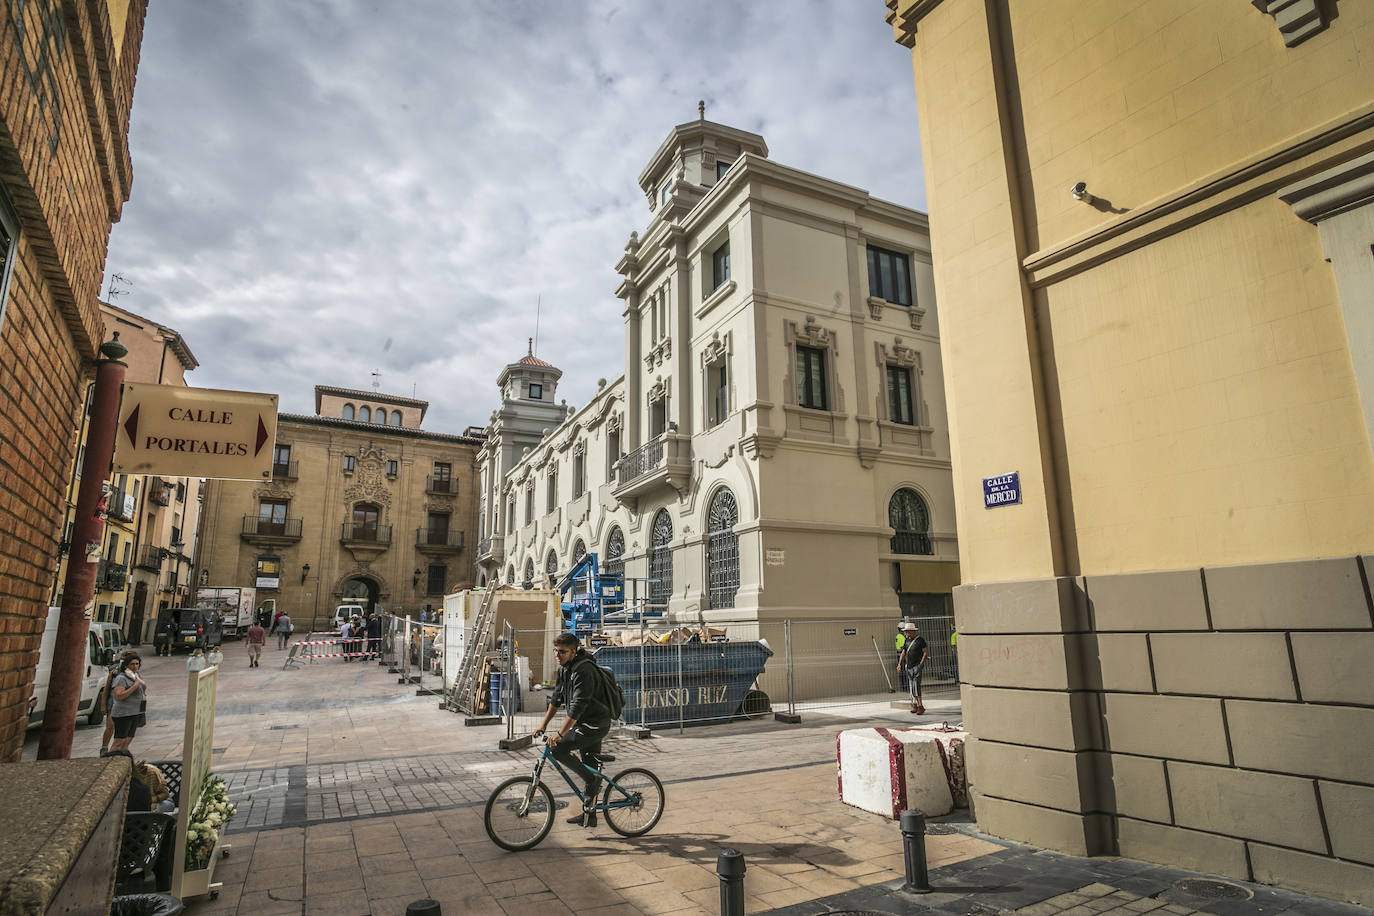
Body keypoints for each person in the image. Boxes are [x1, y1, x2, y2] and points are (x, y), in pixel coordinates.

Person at [534, 632, 613, 827]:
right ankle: (590, 815)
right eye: (556, 651)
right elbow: (556, 699)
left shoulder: (584, 670)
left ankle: (593, 782)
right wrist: (543, 724)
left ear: (573, 651)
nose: (557, 655)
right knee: (589, 765)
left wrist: (560, 734)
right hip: (585, 723)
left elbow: (578, 706)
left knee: (558, 749)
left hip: (595, 724)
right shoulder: (564, 669)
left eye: (562, 652)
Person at [99, 649, 138, 756]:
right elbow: (106, 689)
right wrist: (103, 704)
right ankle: (104, 748)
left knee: (126, 731)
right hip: (113, 704)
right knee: (110, 727)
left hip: (129, 707)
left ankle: (121, 750)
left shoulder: (136, 674)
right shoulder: (115, 672)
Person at [108, 654, 146, 753]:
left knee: (127, 740)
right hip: (123, 713)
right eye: (132, 664)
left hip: (136, 711)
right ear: (126, 666)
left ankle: (122, 759)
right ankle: (112, 759)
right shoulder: (122, 678)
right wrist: (134, 686)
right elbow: (119, 696)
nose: (135, 666)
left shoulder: (136, 675)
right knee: (119, 741)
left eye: (137, 664)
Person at [897, 622, 928, 715]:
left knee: (916, 686)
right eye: (905, 631)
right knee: (911, 687)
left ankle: (920, 706)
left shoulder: (920, 640)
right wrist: (899, 664)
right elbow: (903, 652)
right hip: (909, 667)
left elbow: (925, 653)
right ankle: (915, 705)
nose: (905, 633)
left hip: (916, 666)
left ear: (912, 631)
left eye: (907, 631)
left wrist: (921, 664)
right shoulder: (906, 640)